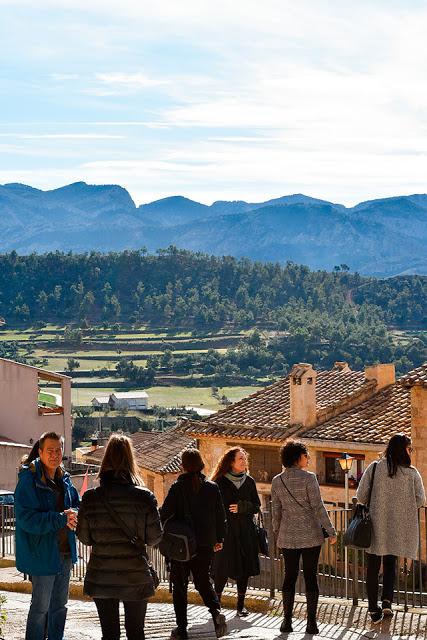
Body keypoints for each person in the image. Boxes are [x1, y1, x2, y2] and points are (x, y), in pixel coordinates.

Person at [76, 434, 162, 640]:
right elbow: (154, 538)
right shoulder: (144, 497)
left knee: (110, 634)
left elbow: (84, 538)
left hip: (101, 576)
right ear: (130, 460)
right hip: (135, 576)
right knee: (135, 632)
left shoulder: (91, 498)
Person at [15, 431, 80, 640]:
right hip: (42, 554)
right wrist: (61, 518)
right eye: (49, 450)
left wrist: (75, 515)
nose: (54, 454)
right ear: (40, 453)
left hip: (65, 553)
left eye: (58, 450)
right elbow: (27, 519)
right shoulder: (29, 481)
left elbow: (76, 505)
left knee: (60, 607)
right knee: (40, 609)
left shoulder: (65, 479)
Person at [356, 433, 426, 624]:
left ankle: (372, 609)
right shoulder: (412, 473)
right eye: (409, 448)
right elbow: (421, 499)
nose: (410, 451)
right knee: (390, 565)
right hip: (398, 526)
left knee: (372, 567)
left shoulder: (375, 467)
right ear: (404, 449)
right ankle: (387, 602)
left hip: (376, 525)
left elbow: (361, 496)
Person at [160, 449, 227, 640]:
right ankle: (215, 613)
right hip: (205, 545)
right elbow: (221, 517)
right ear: (200, 464)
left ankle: (181, 629)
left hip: (182, 546)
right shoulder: (212, 487)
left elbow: (165, 515)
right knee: (202, 581)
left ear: (183, 466)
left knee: (180, 586)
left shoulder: (177, 488)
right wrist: (219, 539)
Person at [271, 440, 336, 635]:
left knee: (289, 576)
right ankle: (311, 623)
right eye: (306, 455)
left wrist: (277, 532)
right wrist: (331, 531)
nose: (307, 458)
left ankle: (286, 622)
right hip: (311, 536)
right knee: (310, 577)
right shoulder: (309, 478)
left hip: (287, 537)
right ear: (298, 457)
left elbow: (276, 511)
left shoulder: (277, 480)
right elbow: (318, 507)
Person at [211, 447, 261, 617]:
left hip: (246, 532)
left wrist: (243, 507)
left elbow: (256, 506)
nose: (244, 461)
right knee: (221, 569)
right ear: (231, 461)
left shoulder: (250, 481)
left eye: (244, 458)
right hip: (226, 533)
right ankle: (216, 606)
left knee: (244, 569)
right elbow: (212, 509)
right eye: (240, 458)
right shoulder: (219, 482)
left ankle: (240, 606)